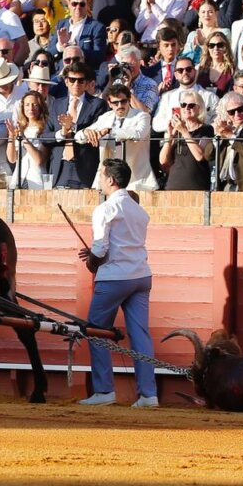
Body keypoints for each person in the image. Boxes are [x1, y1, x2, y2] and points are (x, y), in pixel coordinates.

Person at [77, 157, 157, 409]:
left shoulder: (105, 208)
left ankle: (104, 390)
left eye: (101, 175)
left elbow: (101, 248)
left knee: (96, 329)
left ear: (110, 180)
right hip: (141, 276)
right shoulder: (138, 209)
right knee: (140, 335)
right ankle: (148, 395)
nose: (99, 180)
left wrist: (91, 260)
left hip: (115, 278)